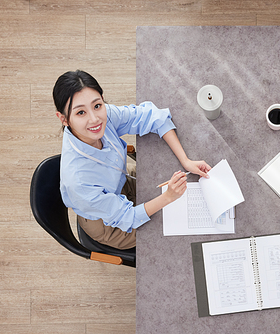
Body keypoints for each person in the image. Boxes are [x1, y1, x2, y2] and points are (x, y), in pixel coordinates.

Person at [53, 70, 211, 249]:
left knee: (173, 196)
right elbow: (128, 218)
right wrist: (168, 197)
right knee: (165, 232)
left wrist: (186, 160)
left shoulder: (105, 115)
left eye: (97, 105)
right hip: (106, 221)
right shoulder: (78, 181)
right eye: (80, 112)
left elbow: (152, 116)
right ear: (63, 119)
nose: (94, 119)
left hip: (121, 180)